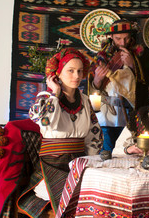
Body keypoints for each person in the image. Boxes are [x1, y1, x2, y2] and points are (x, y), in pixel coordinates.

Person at [17, 48, 103, 217]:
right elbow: (45, 121)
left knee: (99, 191)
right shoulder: (46, 98)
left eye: (79, 71)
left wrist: (91, 161)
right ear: (57, 73)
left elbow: (94, 135)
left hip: (79, 163)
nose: (76, 76)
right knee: (73, 198)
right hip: (53, 165)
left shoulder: (85, 101)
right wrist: (55, 93)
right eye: (70, 71)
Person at [89, 18, 147, 152]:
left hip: (128, 114)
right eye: (118, 38)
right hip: (105, 116)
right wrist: (97, 79)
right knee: (106, 153)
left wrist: (133, 65)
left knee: (124, 151)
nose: (122, 43)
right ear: (111, 37)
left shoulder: (139, 56)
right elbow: (92, 89)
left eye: (126, 38)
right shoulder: (101, 57)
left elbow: (146, 85)